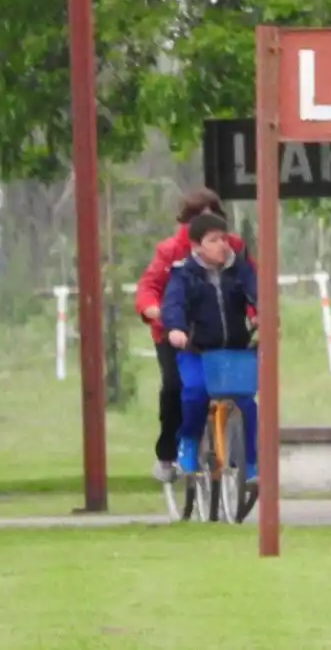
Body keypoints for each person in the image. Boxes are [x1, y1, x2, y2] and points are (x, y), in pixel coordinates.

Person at [135, 188, 251, 483]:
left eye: (214, 220)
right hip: (176, 333)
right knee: (177, 386)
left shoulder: (233, 248)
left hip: (219, 333)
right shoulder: (171, 251)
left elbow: (250, 285)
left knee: (240, 391)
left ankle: (241, 453)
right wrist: (155, 311)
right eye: (200, 221)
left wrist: (256, 313)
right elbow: (150, 286)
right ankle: (170, 451)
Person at [159, 212, 259, 482]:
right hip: (197, 353)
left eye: (223, 238)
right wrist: (176, 329)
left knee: (247, 405)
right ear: (197, 246)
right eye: (213, 240)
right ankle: (189, 441)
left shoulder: (240, 270)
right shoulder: (183, 274)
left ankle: (250, 463)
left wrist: (262, 314)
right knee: (195, 392)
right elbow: (173, 304)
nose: (221, 245)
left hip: (233, 353)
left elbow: (257, 292)